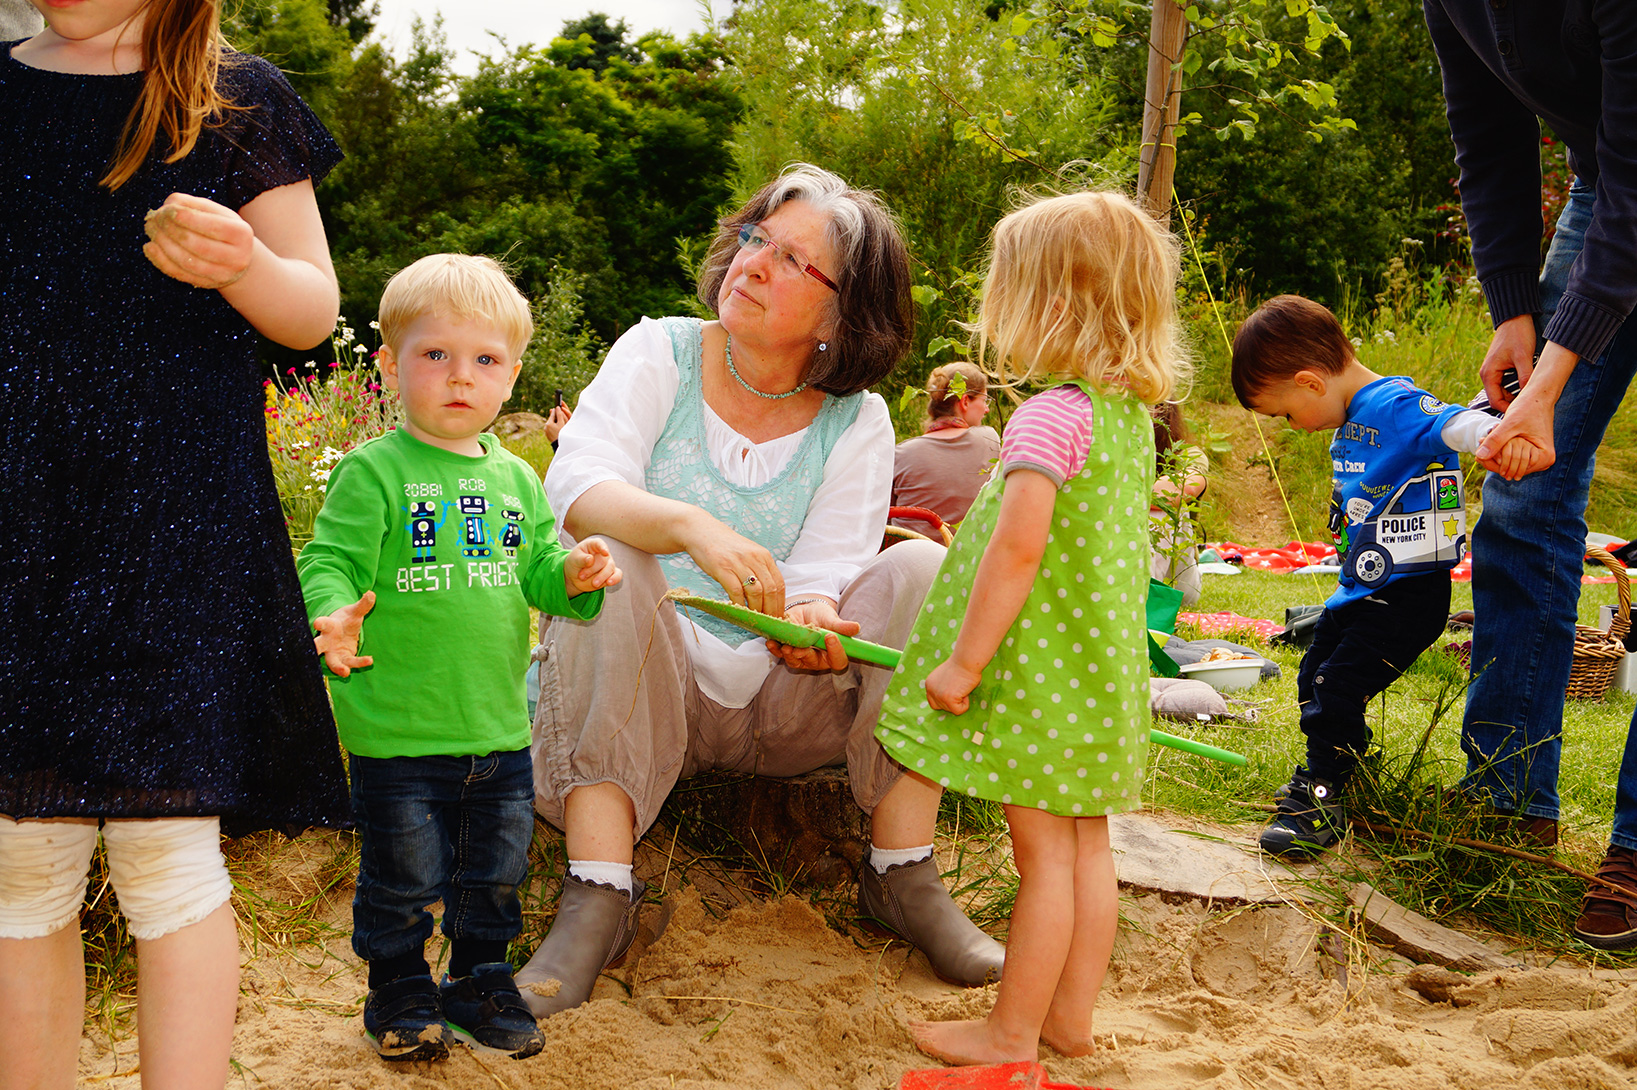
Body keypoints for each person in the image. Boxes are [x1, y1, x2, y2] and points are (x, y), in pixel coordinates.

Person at [520, 163, 1005, 1018]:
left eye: (790, 261)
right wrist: (688, 526)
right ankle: (599, 890)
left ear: (839, 314)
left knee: (925, 569)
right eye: (755, 239)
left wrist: (814, 614)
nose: (750, 263)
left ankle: (901, 873)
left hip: (783, 705)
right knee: (610, 552)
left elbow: (830, 567)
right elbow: (578, 483)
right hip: (643, 683)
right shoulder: (657, 349)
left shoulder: (855, 419)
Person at [0, 2, 353, 1086]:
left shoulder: (237, 100)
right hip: (20, 536)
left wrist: (243, 264)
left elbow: (312, 311)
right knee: (20, 862)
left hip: (173, 535)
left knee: (168, 857)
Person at [875, 190, 1185, 1066]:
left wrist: (964, 664)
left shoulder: (1053, 415)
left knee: (1043, 858)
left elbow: (1015, 553)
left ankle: (1008, 1032)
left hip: (1040, 675)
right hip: (1098, 676)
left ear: (1051, 307)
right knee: (1087, 852)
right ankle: (1068, 1023)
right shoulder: (1127, 417)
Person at [297, 255, 622, 1062]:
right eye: (434, 355)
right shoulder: (373, 471)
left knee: (495, 877)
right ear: (388, 366)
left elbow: (541, 569)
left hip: (496, 728)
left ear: (511, 376)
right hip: (397, 730)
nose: (458, 377)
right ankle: (400, 984)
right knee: (402, 876)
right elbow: (327, 559)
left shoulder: (517, 479)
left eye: (483, 360)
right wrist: (330, 612)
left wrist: (577, 574)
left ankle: (479, 976)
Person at [1424, 1, 1637, 950]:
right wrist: (1514, 308)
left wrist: (1552, 376)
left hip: (1631, 185)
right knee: (1523, 484)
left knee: (1536, 429)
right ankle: (1509, 807)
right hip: (1608, 185)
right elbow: (1488, 135)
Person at [1230, 295, 1536, 857]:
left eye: (1285, 414)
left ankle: (1322, 797)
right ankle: (1341, 770)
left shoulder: (1391, 403)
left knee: (1335, 684)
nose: (1293, 428)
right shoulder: (1352, 416)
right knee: (1316, 672)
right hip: (1363, 590)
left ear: (1309, 382)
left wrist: (1493, 437)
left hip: (1406, 596)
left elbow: (1450, 421)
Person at [890, 361, 1001, 533]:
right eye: (985, 400)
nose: (986, 409)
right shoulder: (989, 438)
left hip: (911, 554)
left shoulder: (901, 454)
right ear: (965, 402)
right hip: (969, 557)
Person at [1149, 401, 1208, 607]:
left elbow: (1176, 492)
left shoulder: (1188, 453)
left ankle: (1147, 599)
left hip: (1180, 578)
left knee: (1165, 508)